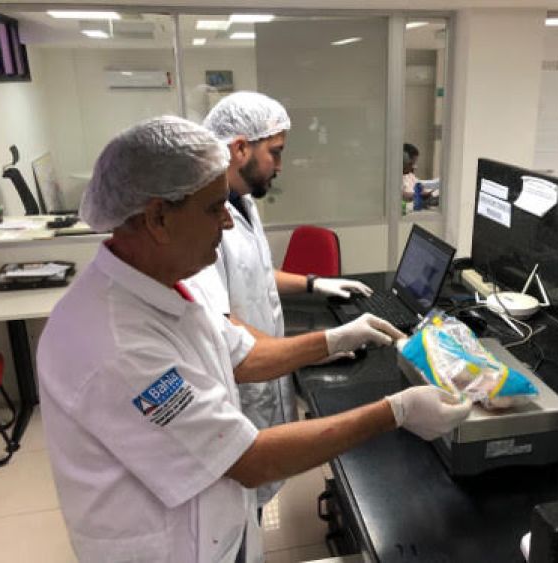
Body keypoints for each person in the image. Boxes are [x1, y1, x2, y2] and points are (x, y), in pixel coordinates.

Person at [36, 116, 471, 563]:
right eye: (213, 208)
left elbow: (243, 354)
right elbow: (250, 459)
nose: (227, 222)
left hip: (215, 529)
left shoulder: (163, 286)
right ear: (158, 218)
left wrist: (337, 338)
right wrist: (396, 412)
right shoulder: (114, 344)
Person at [192, 91, 372, 509]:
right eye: (275, 152)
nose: (280, 165)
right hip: (241, 384)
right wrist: (316, 348)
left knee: (257, 493)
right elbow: (221, 325)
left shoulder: (242, 201)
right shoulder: (205, 221)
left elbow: (255, 273)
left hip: (266, 367)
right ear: (240, 148)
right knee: (241, 495)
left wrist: (314, 284)